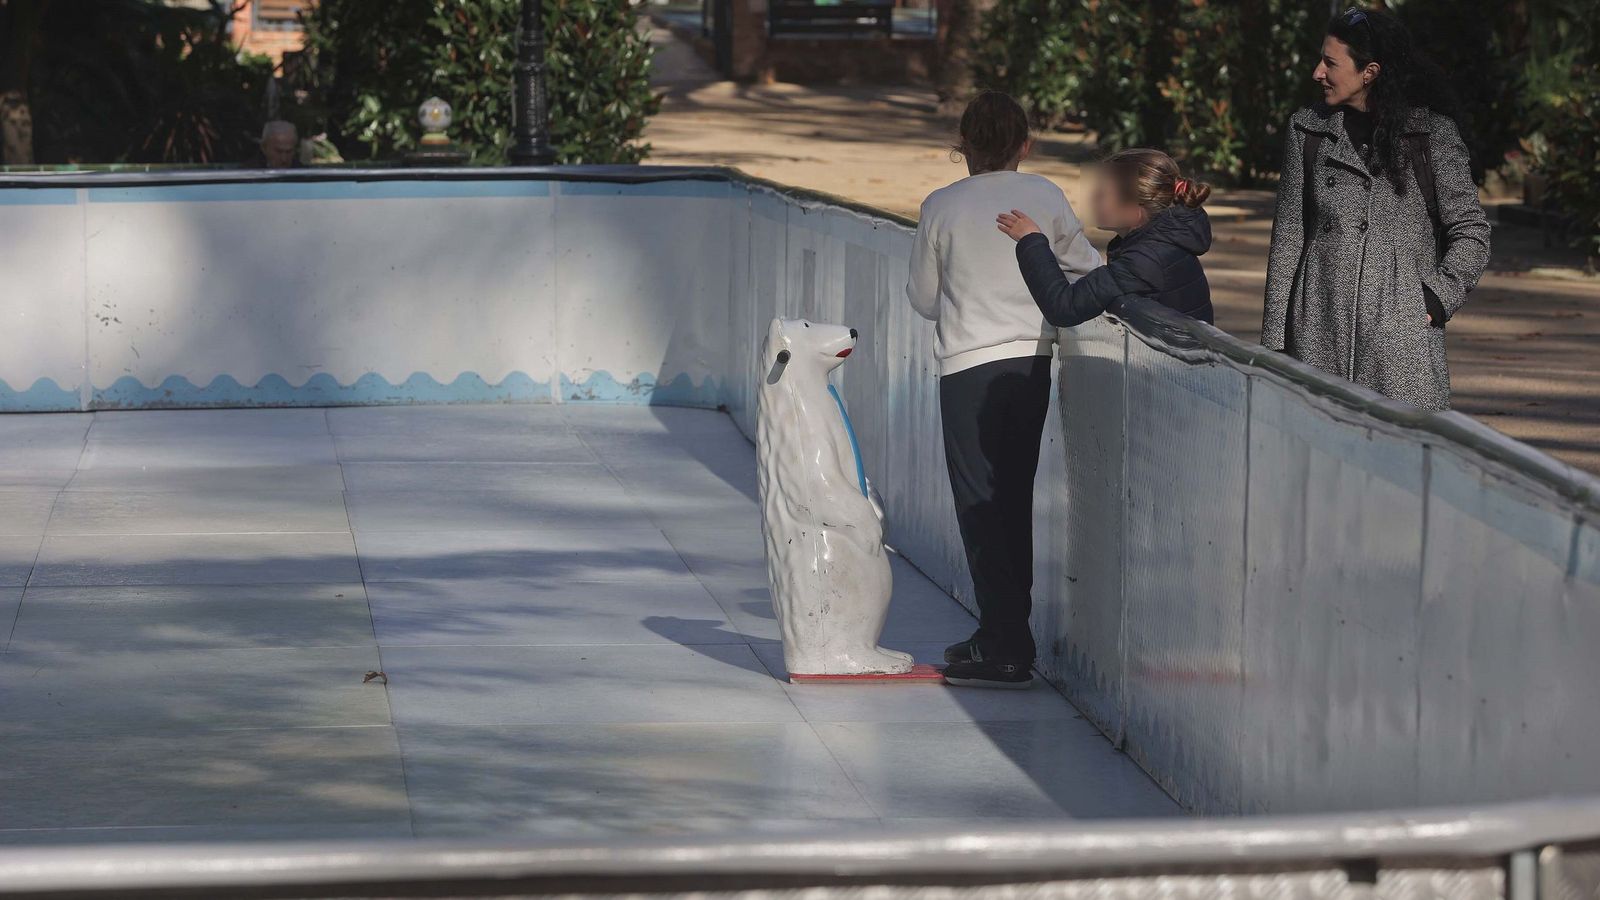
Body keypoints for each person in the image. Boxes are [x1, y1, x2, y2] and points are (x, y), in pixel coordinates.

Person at [905, 90, 1100, 689]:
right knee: (1012, 496)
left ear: (961, 145)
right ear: (1025, 144)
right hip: (1032, 364)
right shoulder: (1043, 194)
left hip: (967, 365)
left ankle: (1007, 642)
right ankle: (1003, 630)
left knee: (979, 502)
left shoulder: (940, 205)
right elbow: (1085, 266)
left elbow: (923, 299)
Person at [1262, 6, 1490, 410]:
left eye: (1330, 63)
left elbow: (1471, 232)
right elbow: (1289, 240)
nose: (1318, 72)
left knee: (1399, 463)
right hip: (1316, 329)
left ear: (1369, 71)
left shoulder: (1429, 134)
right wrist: (1275, 346)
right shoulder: (1308, 129)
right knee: (1322, 463)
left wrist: (1435, 300)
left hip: (1401, 345)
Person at [995, 148, 1213, 327]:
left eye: (1102, 193)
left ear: (1135, 211)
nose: (1092, 198)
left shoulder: (1142, 261)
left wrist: (1031, 240)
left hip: (1173, 377)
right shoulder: (1160, 245)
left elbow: (1064, 308)